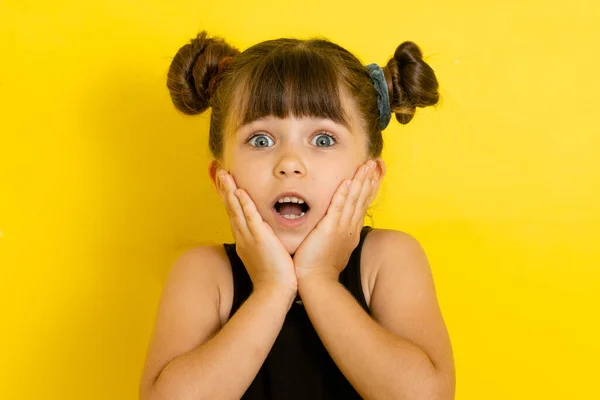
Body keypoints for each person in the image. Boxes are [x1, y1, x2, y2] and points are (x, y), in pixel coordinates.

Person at [139, 30, 455, 400]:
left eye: (323, 140)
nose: (289, 164)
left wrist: (319, 278)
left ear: (369, 176)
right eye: (261, 140)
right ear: (220, 179)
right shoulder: (205, 273)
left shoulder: (388, 259)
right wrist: (271, 289)